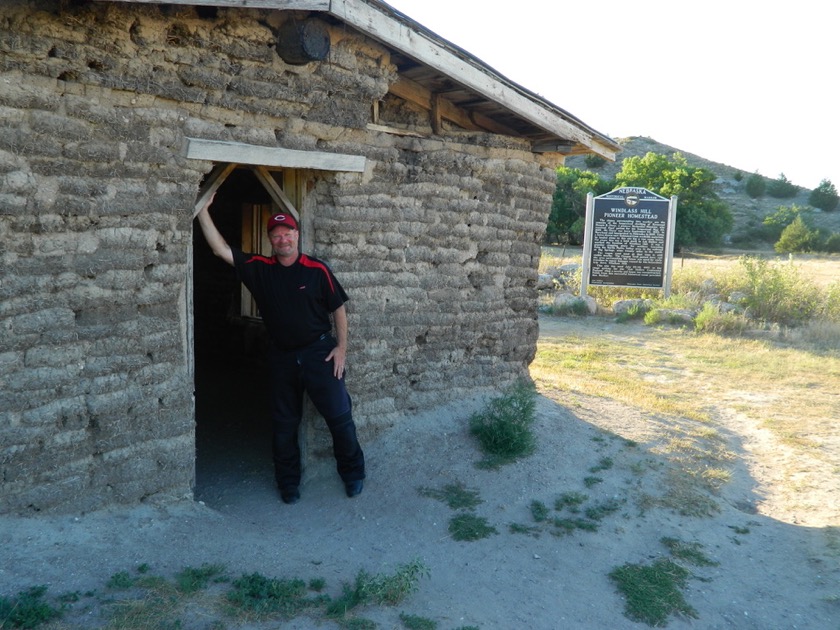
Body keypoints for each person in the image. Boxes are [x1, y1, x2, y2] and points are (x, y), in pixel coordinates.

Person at [196, 194, 365, 504]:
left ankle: (353, 474)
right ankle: (288, 485)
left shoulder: (317, 270)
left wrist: (341, 348)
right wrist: (203, 211)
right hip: (282, 356)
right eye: (276, 235)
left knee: (339, 417)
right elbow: (220, 250)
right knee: (284, 425)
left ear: (296, 235)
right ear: (270, 240)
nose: (283, 239)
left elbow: (338, 308)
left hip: (319, 353)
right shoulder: (260, 268)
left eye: (287, 233)